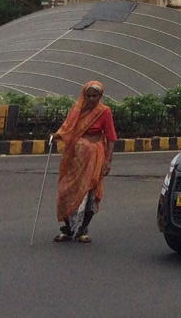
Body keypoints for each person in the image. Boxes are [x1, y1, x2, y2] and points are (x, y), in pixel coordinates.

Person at [51, 80, 117, 243]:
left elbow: (111, 137)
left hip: (94, 156)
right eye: (88, 96)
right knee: (66, 190)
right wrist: (56, 136)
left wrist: (108, 161)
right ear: (84, 95)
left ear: (101, 96)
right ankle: (68, 228)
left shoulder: (104, 112)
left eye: (95, 96)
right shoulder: (77, 109)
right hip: (74, 157)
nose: (92, 99)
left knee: (90, 193)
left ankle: (82, 229)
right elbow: (67, 129)